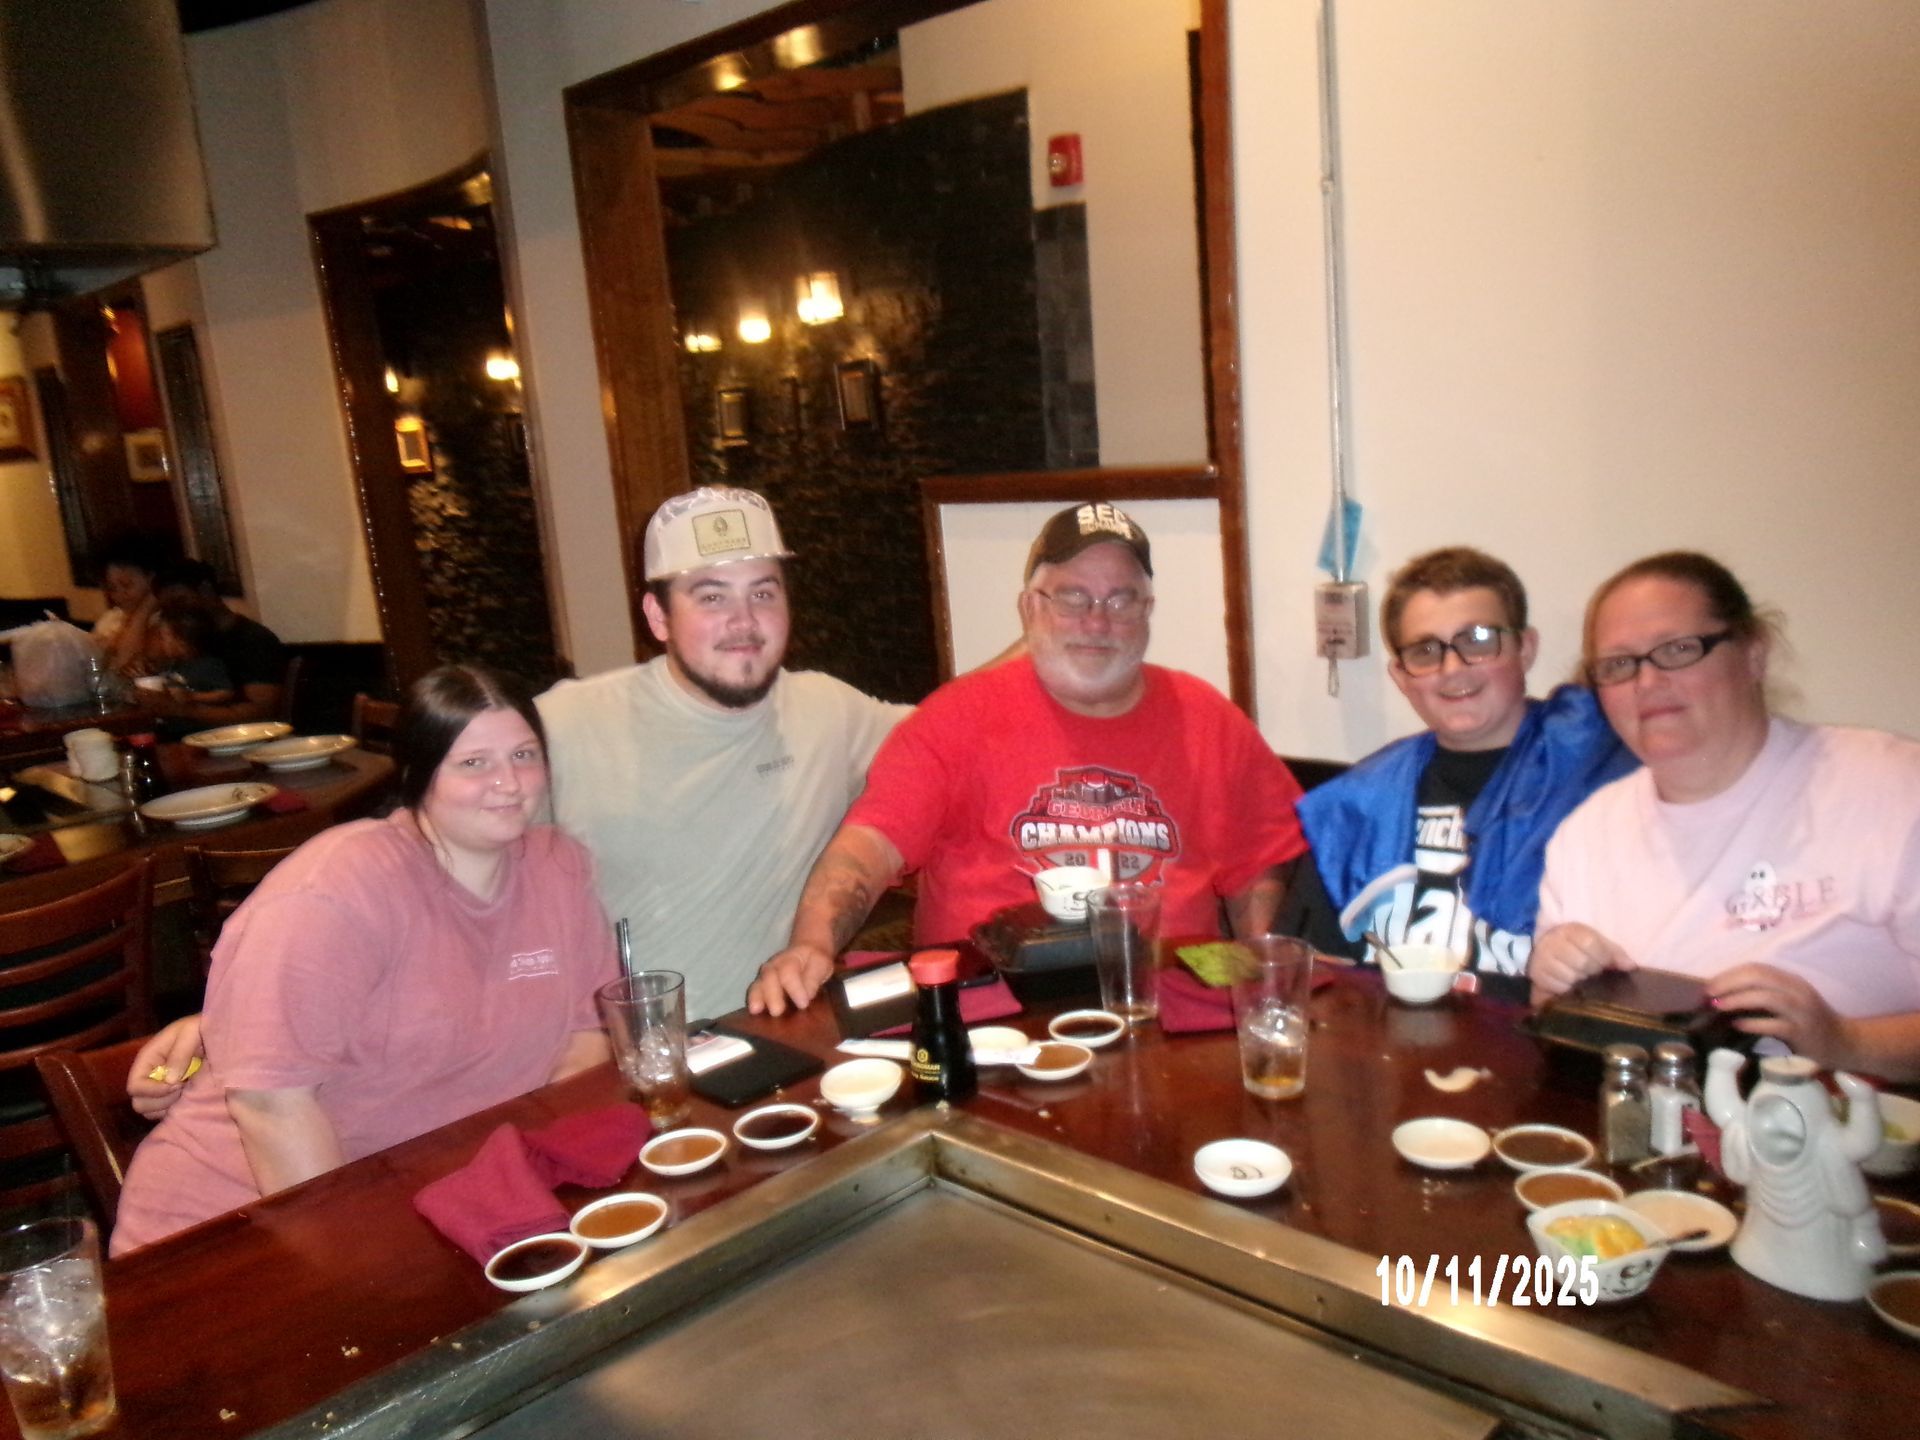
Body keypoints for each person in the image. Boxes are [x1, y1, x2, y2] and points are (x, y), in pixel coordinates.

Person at [111, 665, 616, 1254]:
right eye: (473, 762)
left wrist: (523, 1175)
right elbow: (271, 1105)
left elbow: (587, 1037)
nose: (508, 782)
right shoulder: (340, 887)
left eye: (524, 755)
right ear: (419, 773)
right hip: (237, 1230)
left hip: (443, 1205)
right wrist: (355, 1263)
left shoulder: (557, 867)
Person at [749, 501, 1307, 1016]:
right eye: (1072, 598)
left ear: (1147, 610)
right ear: (1030, 607)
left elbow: (1261, 863)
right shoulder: (955, 719)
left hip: (1162, 1017)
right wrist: (812, 944)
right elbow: (867, 849)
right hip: (997, 1027)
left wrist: (1264, 981)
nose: (1097, 622)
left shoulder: (1207, 718)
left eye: (1120, 600)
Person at [1530, 551, 1920, 1081]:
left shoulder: (1889, 787)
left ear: (1754, 653)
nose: (1647, 682)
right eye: (1618, 664)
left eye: (1677, 650)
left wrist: (1843, 1041)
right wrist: (1553, 981)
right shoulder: (1586, 834)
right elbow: (1553, 1024)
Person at [534, 487, 909, 1022]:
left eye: (763, 593)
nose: (744, 621)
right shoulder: (565, 723)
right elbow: (447, 855)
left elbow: (958, 721)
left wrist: (1037, 634)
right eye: (712, 597)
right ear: (658, 616)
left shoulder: (829, 711)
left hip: (782, 1035)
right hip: (630, 1052)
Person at [1285, 547, 1634, 977]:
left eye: (1478, 640)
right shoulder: (1358, 803)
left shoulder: (1601, 779)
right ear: (1401, 676)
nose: (1452, 668)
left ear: (1525, 649)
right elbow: (1307, 969)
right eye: (1425, 650)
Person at [143, 559, 286, 724]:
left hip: (234, 733)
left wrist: (182, 710)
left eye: (180, 601)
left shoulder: (253, 639)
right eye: (168, 608)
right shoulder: (180, 642)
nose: (176, 612)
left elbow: (262, 711)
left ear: (206, 590)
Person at [91, 533, 175, 677]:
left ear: (152, 578)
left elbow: (126, 665)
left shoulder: (169, 621)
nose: (119, 595)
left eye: (127, 585)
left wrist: (146, 608)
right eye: (112, 588)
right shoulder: (111, 618)